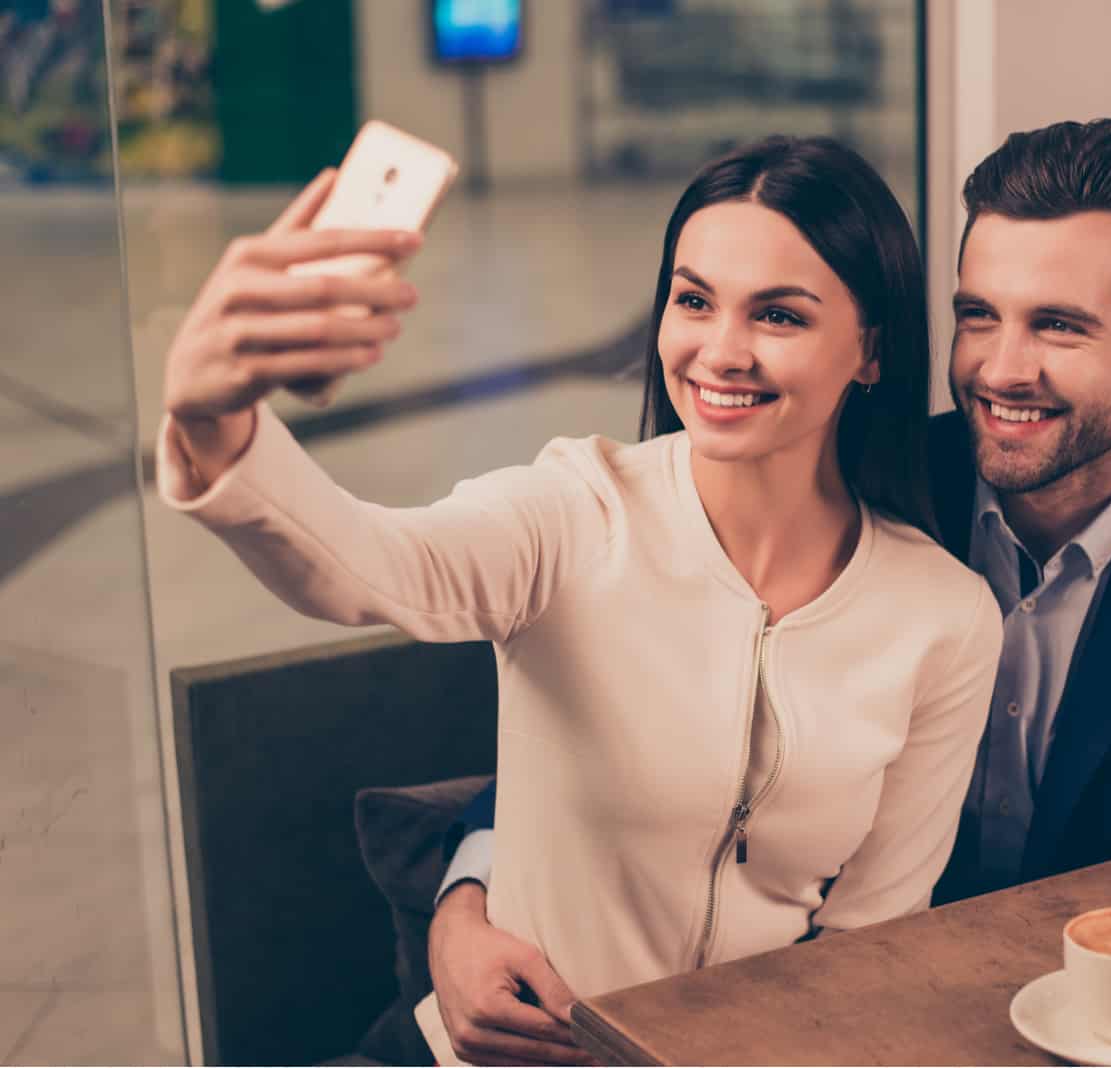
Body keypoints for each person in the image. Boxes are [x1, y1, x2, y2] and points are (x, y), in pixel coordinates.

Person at [429, 118, 1111, 1064]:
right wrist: (464, 906)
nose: (1000, 368)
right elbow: (604, 716)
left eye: (1058, 325)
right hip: (806, 1017)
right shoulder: (835, 469)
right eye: (979, 314)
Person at [156, 135, 1004, 1066]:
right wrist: (215, 420)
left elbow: (868, 948)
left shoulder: (945, 619)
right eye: (693, 300)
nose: (719, 351)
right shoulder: (571, 512)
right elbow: (362, 569)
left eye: (778, 315)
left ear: (870, 350)